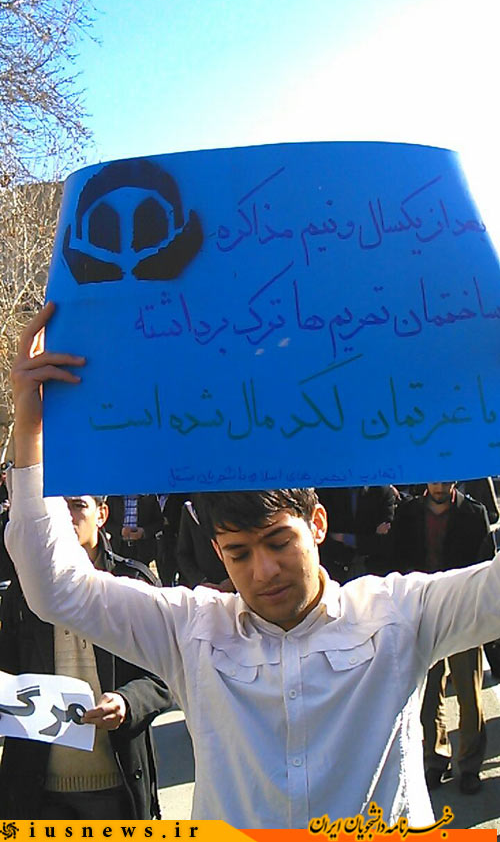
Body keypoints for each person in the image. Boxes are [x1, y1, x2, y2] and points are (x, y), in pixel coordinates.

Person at [6, 303, 500, 829]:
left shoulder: (399, 615)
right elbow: (55, 587)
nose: (264, 572)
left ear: (317, 523)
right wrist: (31, 429)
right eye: (240, 553)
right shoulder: (190, 630)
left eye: (278, 543)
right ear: (218, 552)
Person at [0, 487, 172, 819]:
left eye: (78, 506)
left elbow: (164, 677)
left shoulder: (132, 582)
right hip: (38, 791)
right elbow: (7, 668)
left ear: (102, 515)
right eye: (59, 507)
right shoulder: (24, 592)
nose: (66, 516)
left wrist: (127, 702)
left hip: (116, 784)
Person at [391, 481, 494, 795]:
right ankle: (435, 758)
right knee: (429, 692)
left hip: (464, 612)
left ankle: (470, 765)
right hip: (423, 611)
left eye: (445, 480)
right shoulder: (408, 513)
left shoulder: (473, 513)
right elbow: (396, 558)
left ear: (454, 481)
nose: (439, 486)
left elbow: (485, 565)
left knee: (468, 693)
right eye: (435, 480)